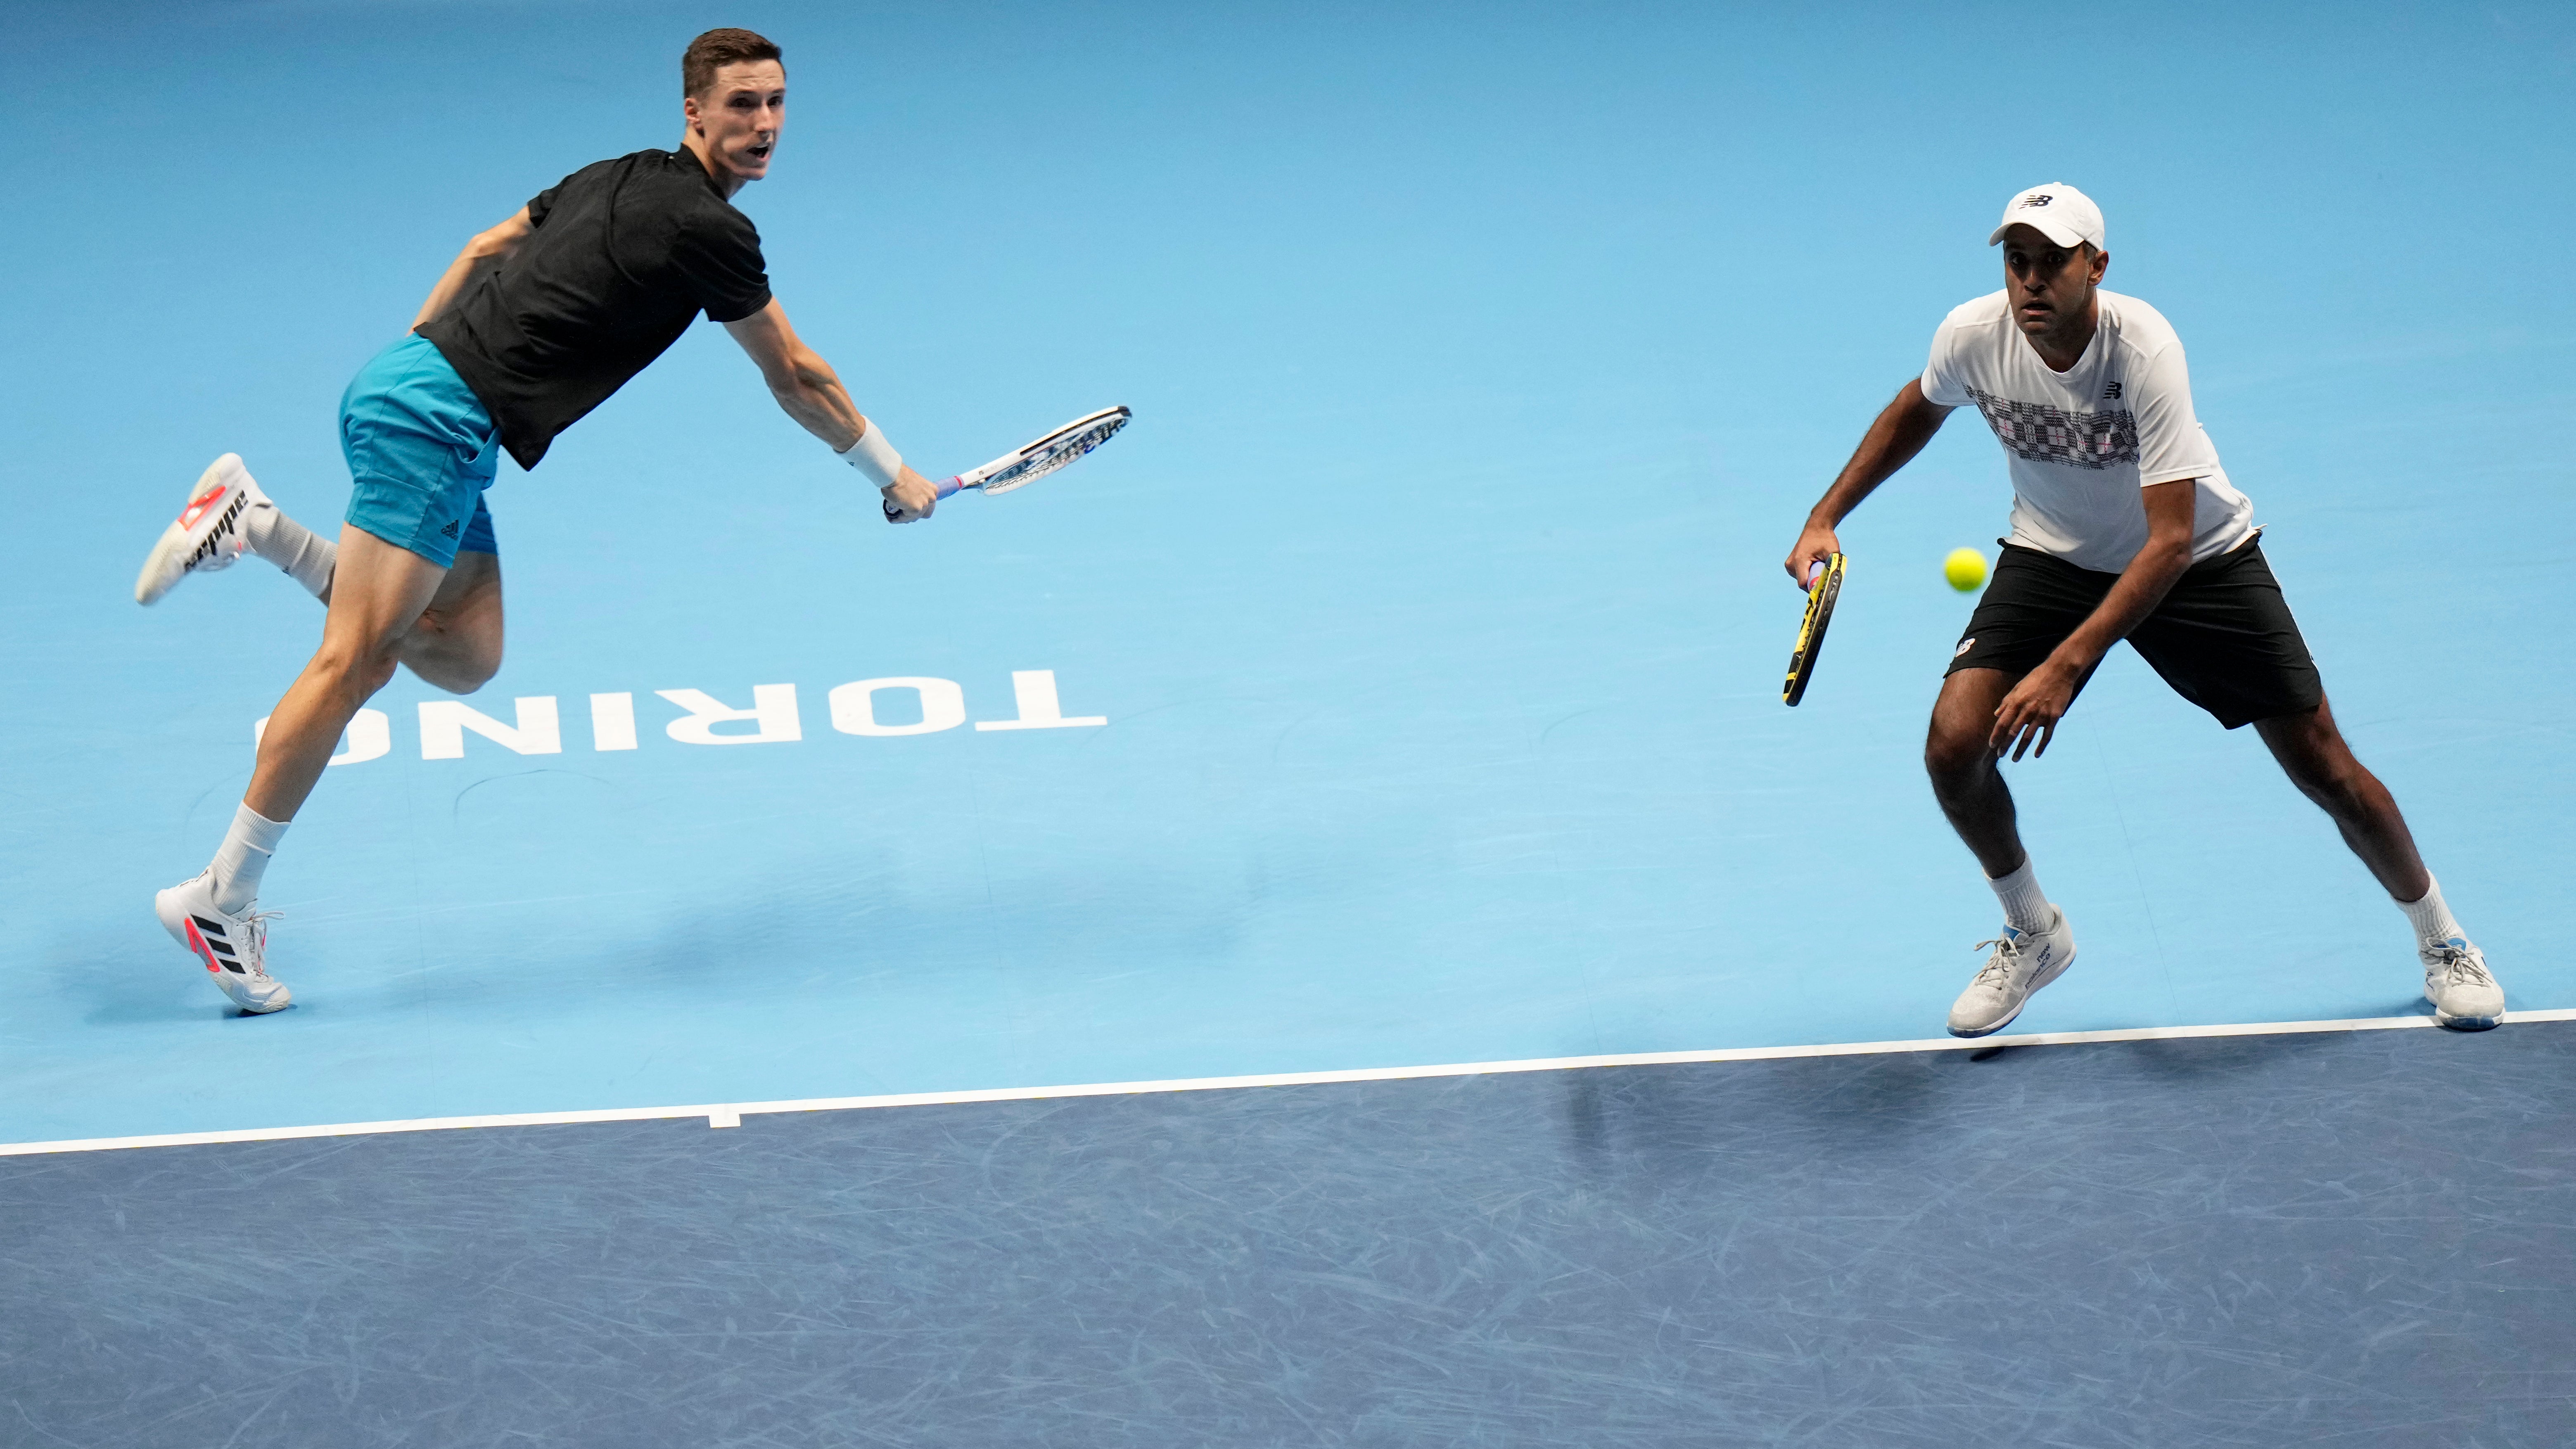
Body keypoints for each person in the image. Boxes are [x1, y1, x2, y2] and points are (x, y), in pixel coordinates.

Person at [132, 28, 936, 1013]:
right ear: (694, 111)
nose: (764, 125)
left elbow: (484, 249)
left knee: (464, 656)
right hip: (433, 422)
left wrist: (423, 358)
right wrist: (891, 474)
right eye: (741, 105)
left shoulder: (614, 173)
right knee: (354, 665)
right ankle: (220, 897)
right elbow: (796, 375)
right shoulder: (713, 233)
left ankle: (257, 524)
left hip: (417, 394)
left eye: (775, 103)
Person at [1784, 183, 2502, 1038]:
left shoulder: (2144, 348)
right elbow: (1917, 406)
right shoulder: (1972, 334)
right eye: (2016, 262)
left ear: (2096, 267)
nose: (2030, 282)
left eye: (2051, 262)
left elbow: (2164, 543)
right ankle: (2031, 930)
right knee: (1952, 745)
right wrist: (1826, 516)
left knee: (2323, 767)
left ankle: (2442, 940)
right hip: (2053, 553)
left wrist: (2065, 664)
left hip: (2196, 560)